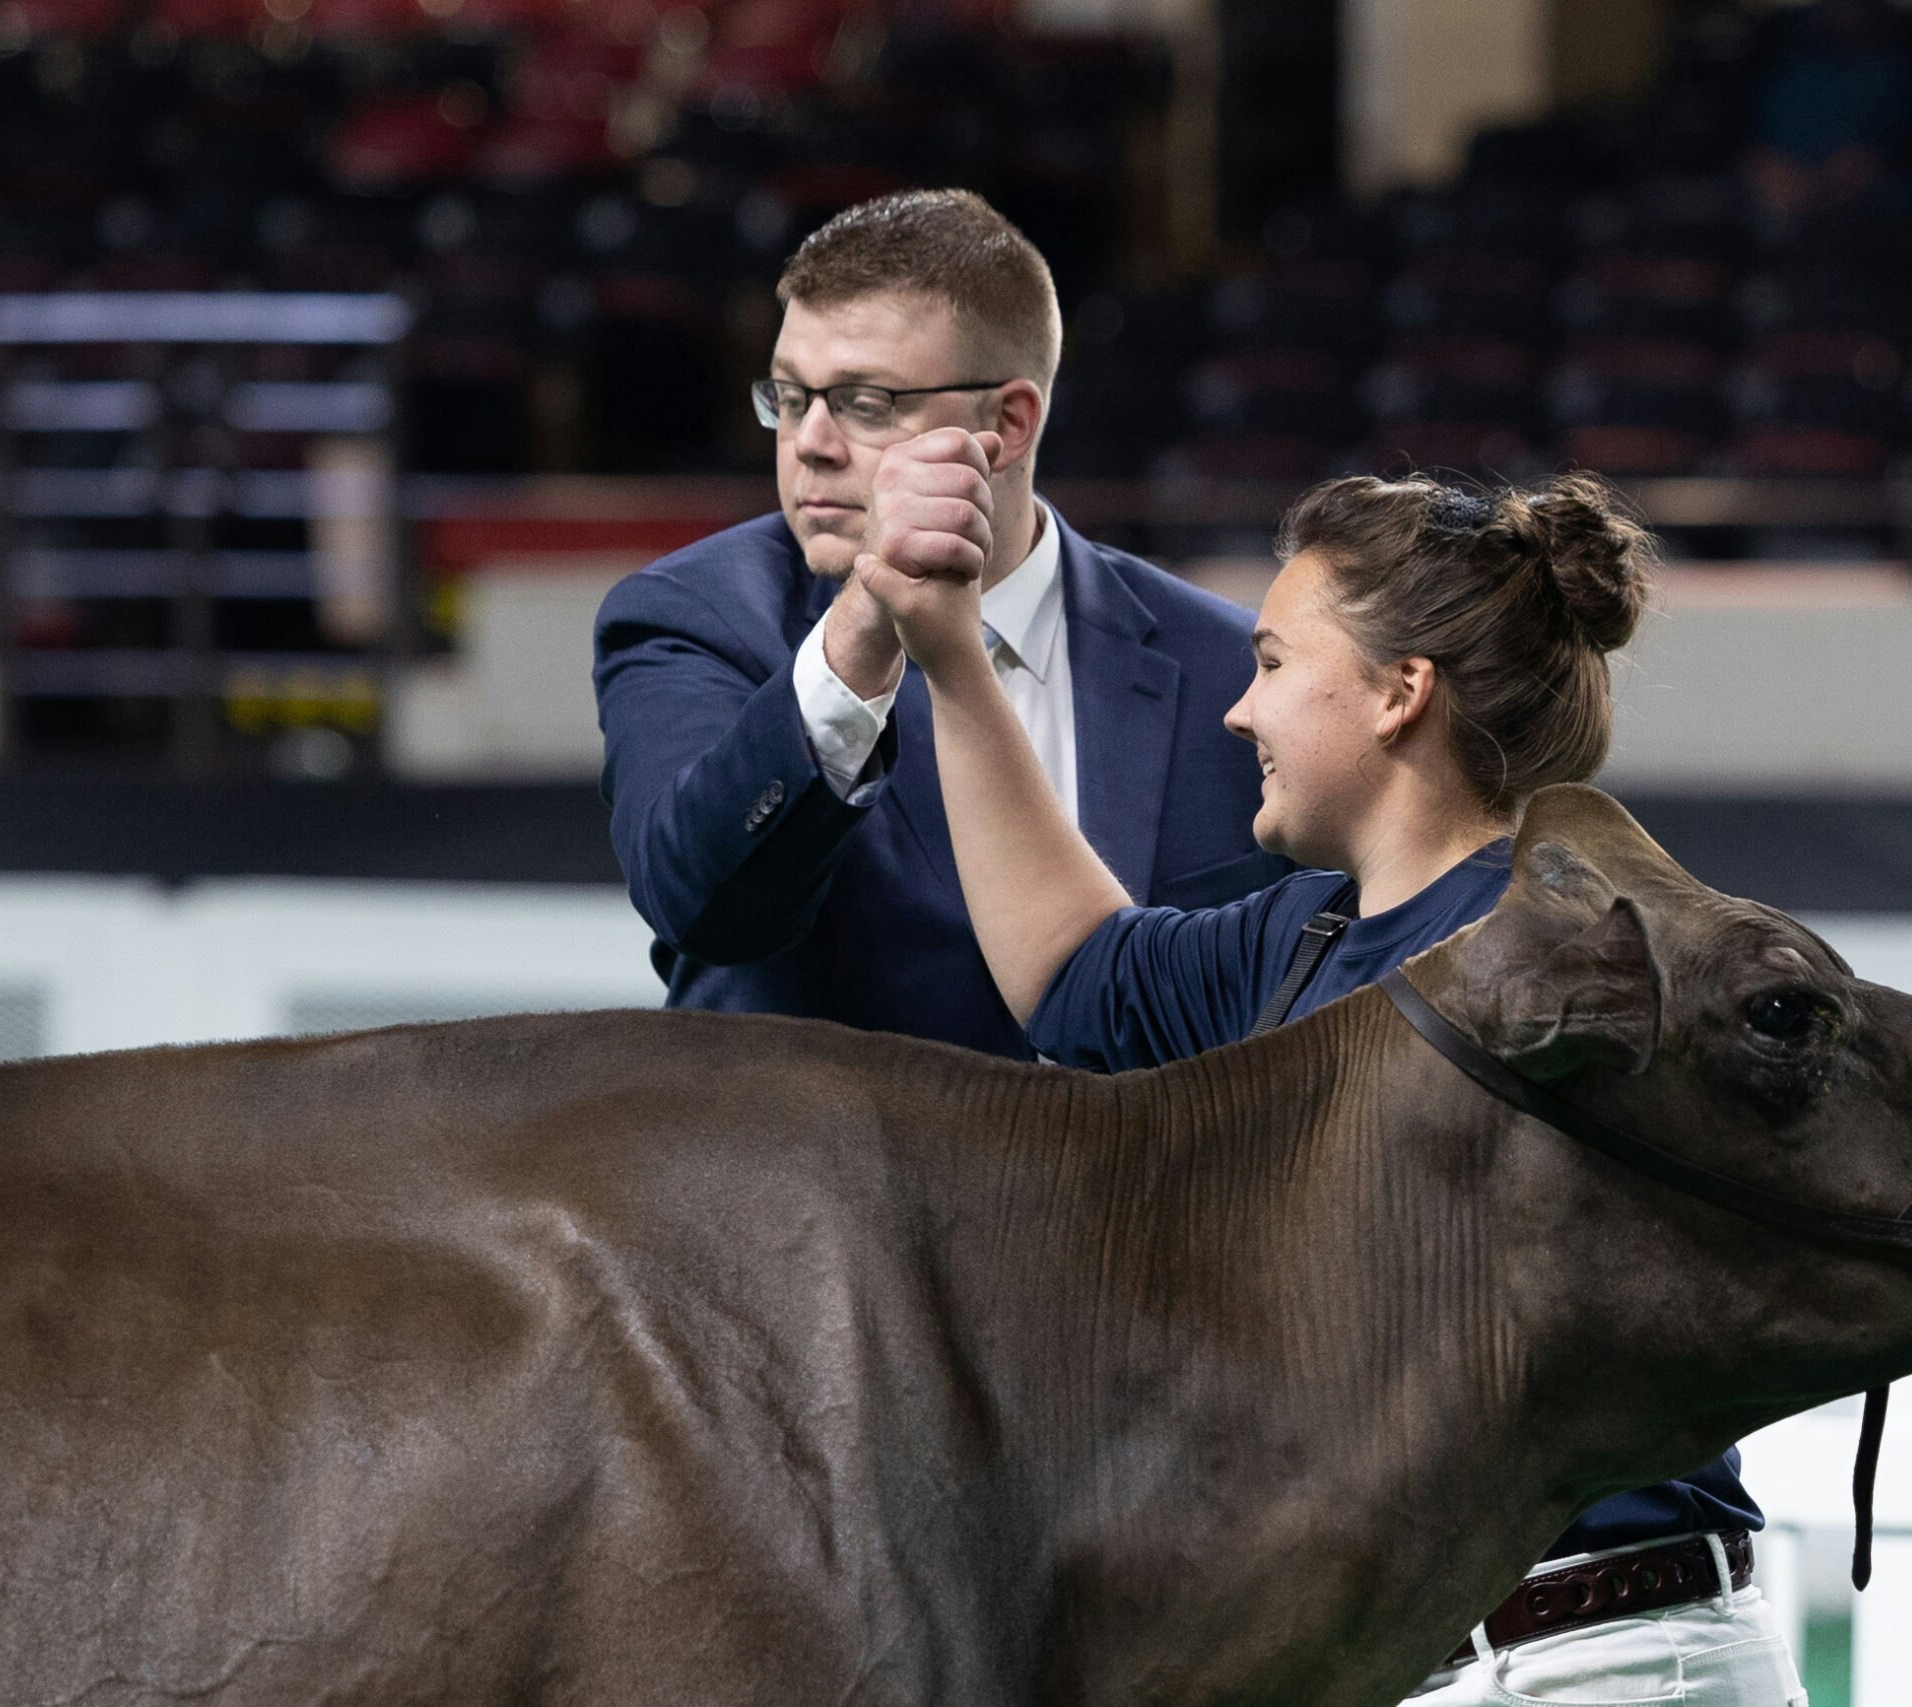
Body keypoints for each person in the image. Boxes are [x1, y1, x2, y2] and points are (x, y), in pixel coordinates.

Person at [859, 461, 1805, 1705]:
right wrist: (951, 662)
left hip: (1601, 1662)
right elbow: (1072, 969)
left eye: (1269, 663)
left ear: (1399, 695)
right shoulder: (1294, 940)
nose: (1235, 715)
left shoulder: (1594, 954)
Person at [591, 189, 1285, 1053]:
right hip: (823, 1185)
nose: (809, 441)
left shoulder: (1231, 666)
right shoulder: (691, 616)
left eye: (865, 402)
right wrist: (867, 620)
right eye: (789, 395)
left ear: (1009, 422)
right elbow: (702, 909)